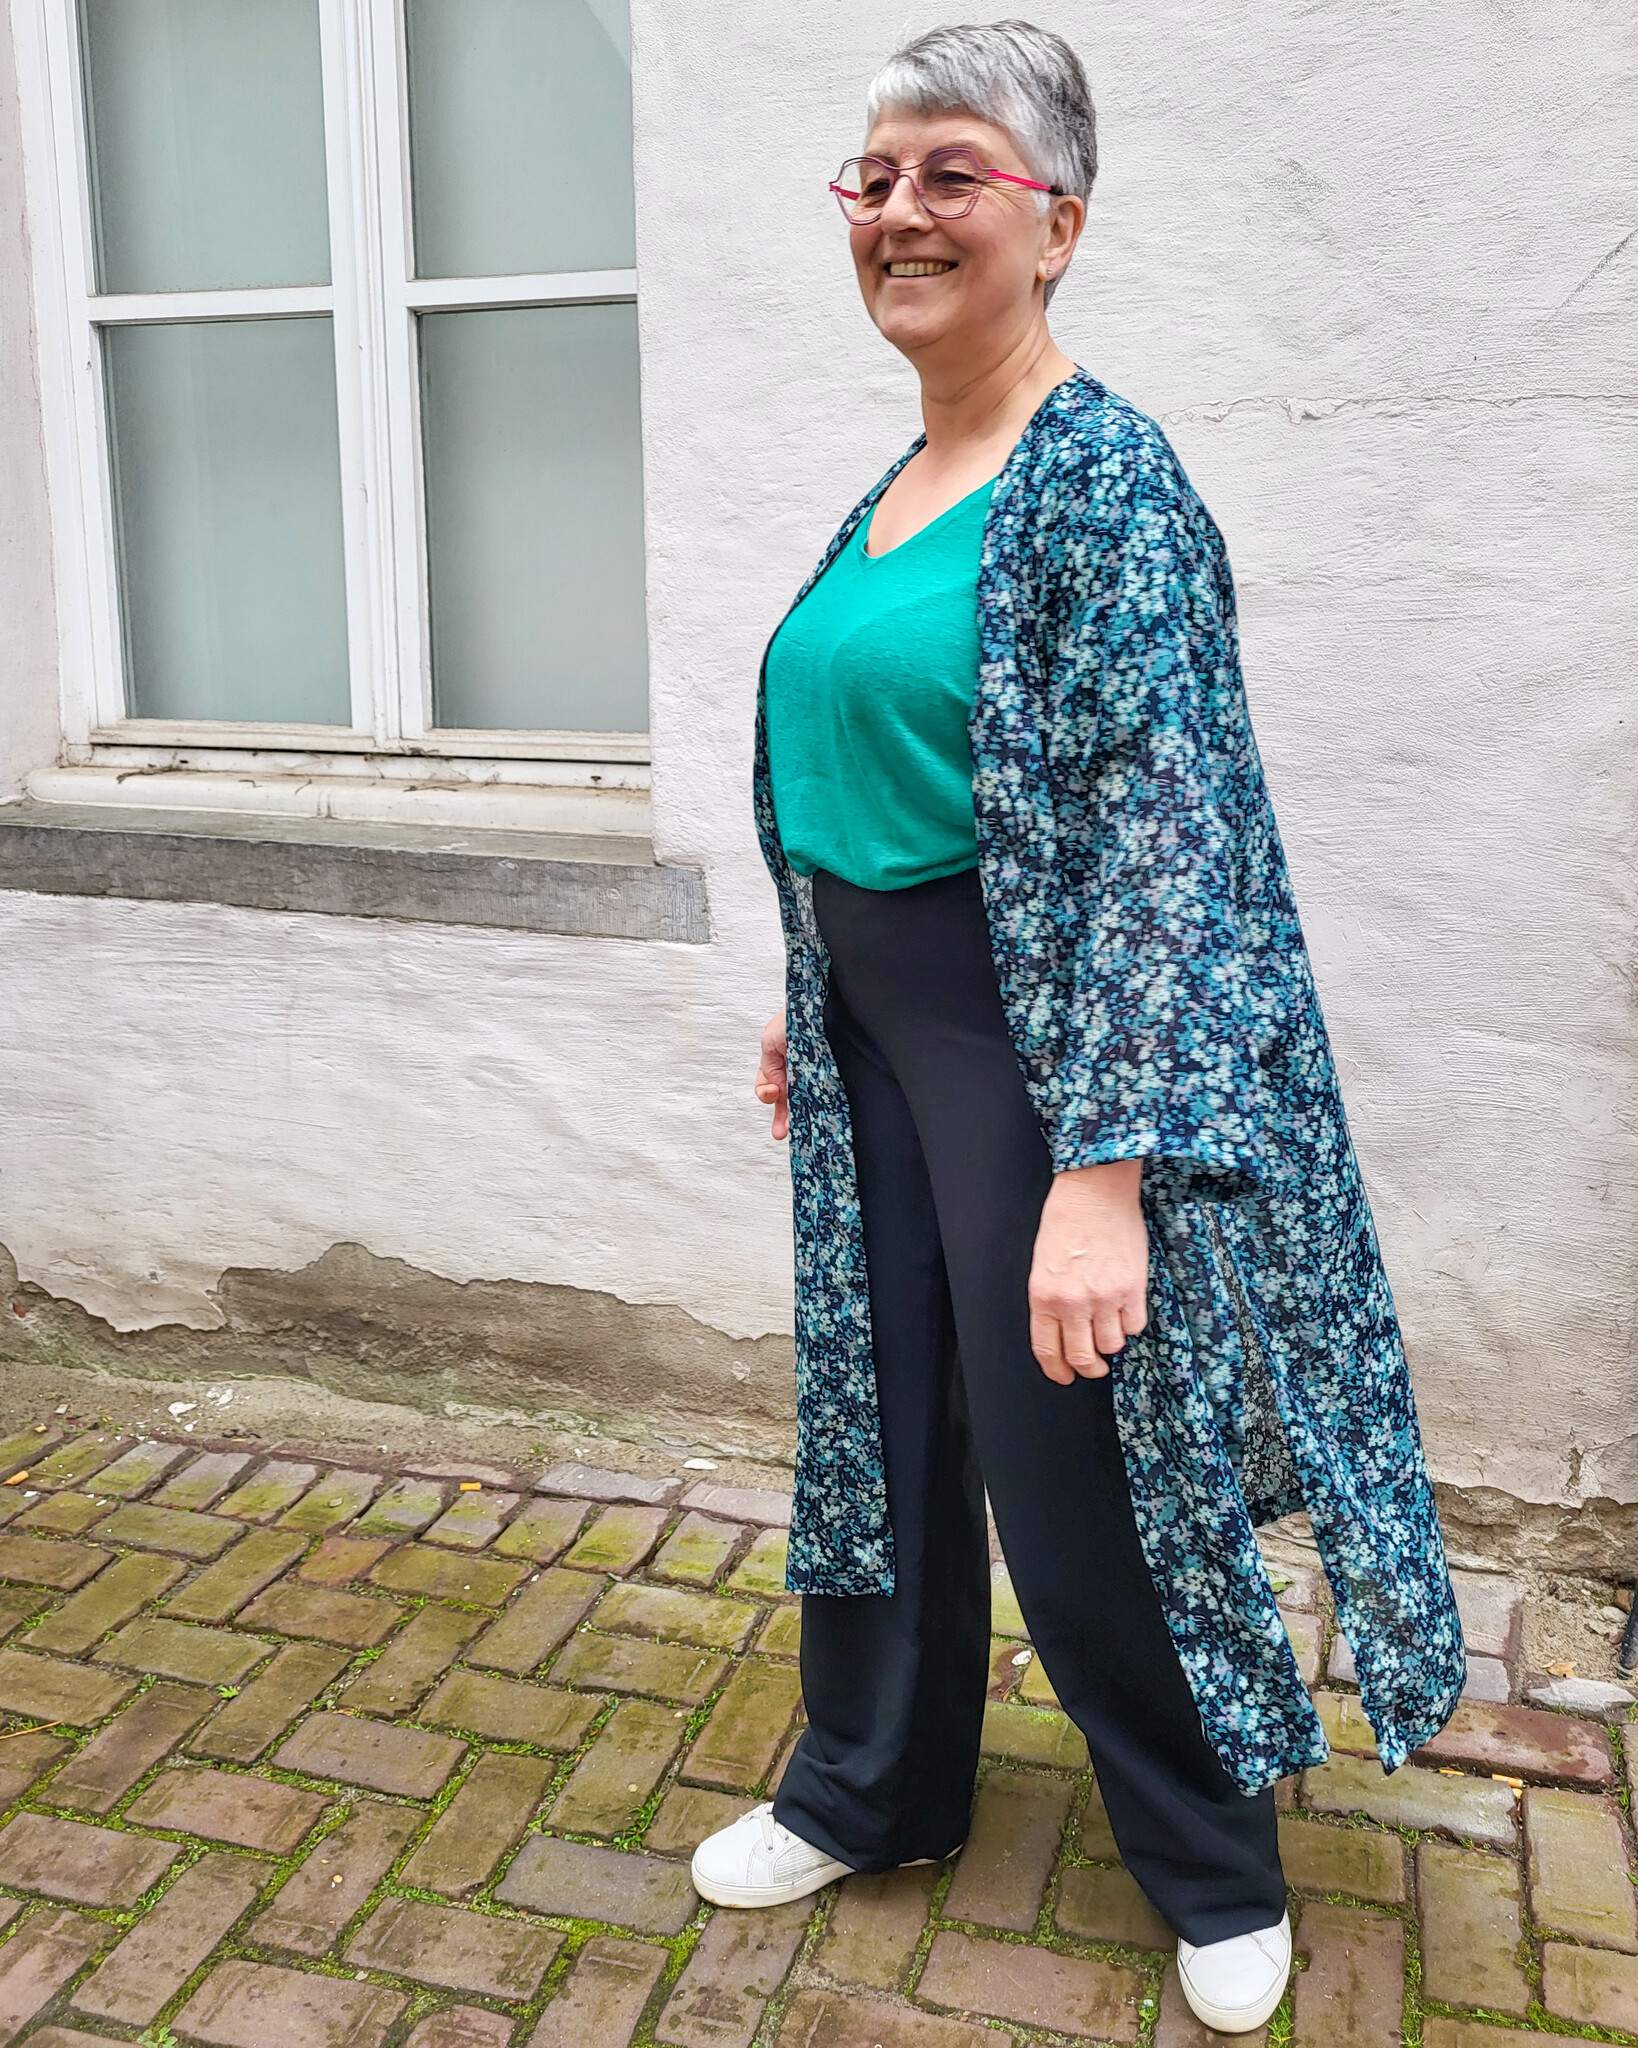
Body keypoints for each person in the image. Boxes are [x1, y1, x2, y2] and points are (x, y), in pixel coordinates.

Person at [692, 20, 1465, 2033]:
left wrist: (1104, 1171)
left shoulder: (1103, 484)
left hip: (1038, 1057)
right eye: (874, 177)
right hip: (874, 1037)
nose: (900, 212)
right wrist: (812, 990)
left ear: (1058, 223)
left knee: (1083, 1463)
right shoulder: (902, 482)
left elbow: (1165, 847)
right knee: (875, 1424)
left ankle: (1210, 1861)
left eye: (952, 172)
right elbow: (874, 766)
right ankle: (869, 1786)